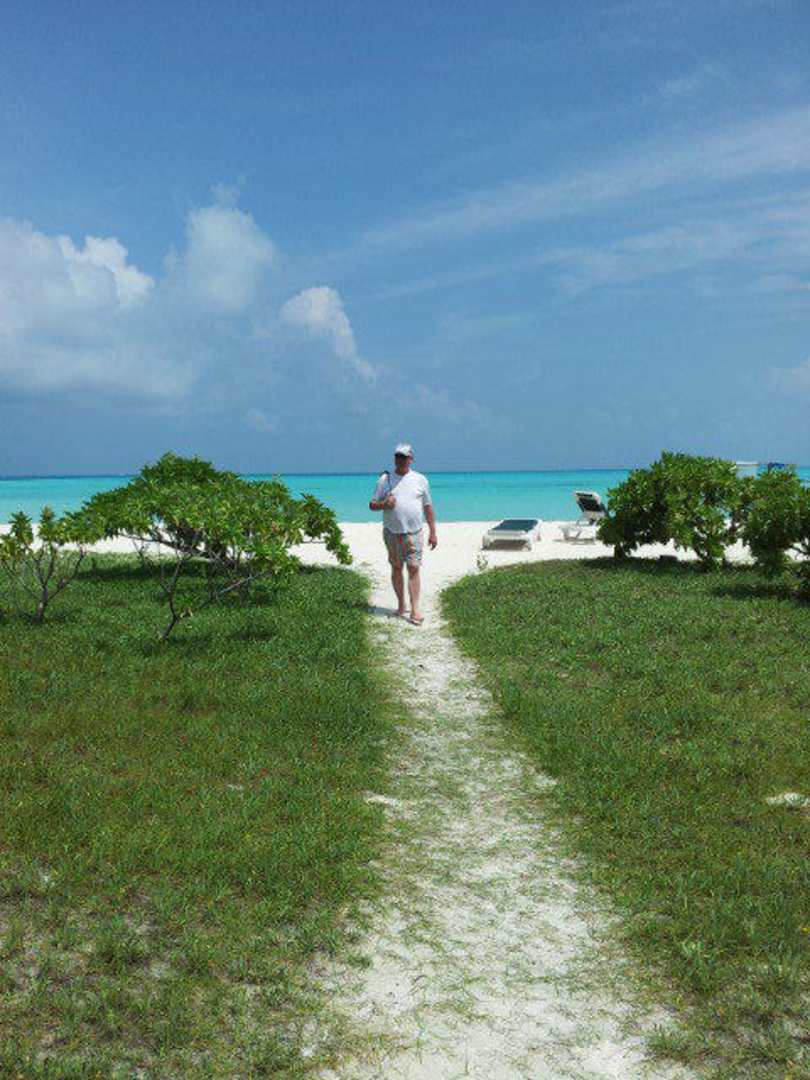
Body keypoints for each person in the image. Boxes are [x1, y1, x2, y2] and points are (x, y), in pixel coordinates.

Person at [369, 443, 437, 625]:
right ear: (394, 458)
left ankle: (415, 610)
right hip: (392, 532)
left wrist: (433, 532)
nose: (401, 460)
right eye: (398, 456)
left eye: (404, 457)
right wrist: (384, 504)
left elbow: (428, 506)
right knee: (397, 567)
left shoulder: (420, 479)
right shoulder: (384, 480)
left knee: (414, 567)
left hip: (414, 532)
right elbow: (372, 505)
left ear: (411, 459)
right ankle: (401, 605)